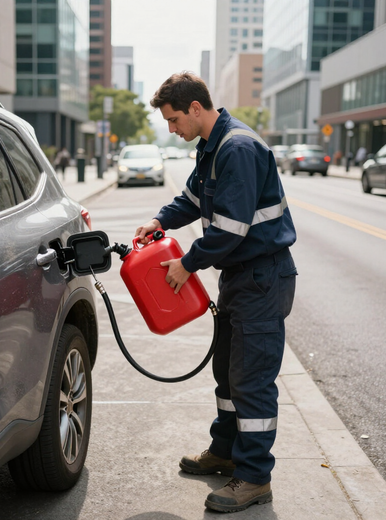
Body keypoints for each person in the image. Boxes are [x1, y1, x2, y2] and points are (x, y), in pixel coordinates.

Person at [135, 72, 297, 513]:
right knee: (228, 375)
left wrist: (187, 265)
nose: (171, 129)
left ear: (194, 108)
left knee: (251, 383)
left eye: (172, 120)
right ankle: (225, 451)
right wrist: (160, 220)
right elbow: (190, 198)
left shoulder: (238, 148)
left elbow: (230, 228)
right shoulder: (211, 147)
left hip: (262, 278)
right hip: (240, 279)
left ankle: (253, 478)